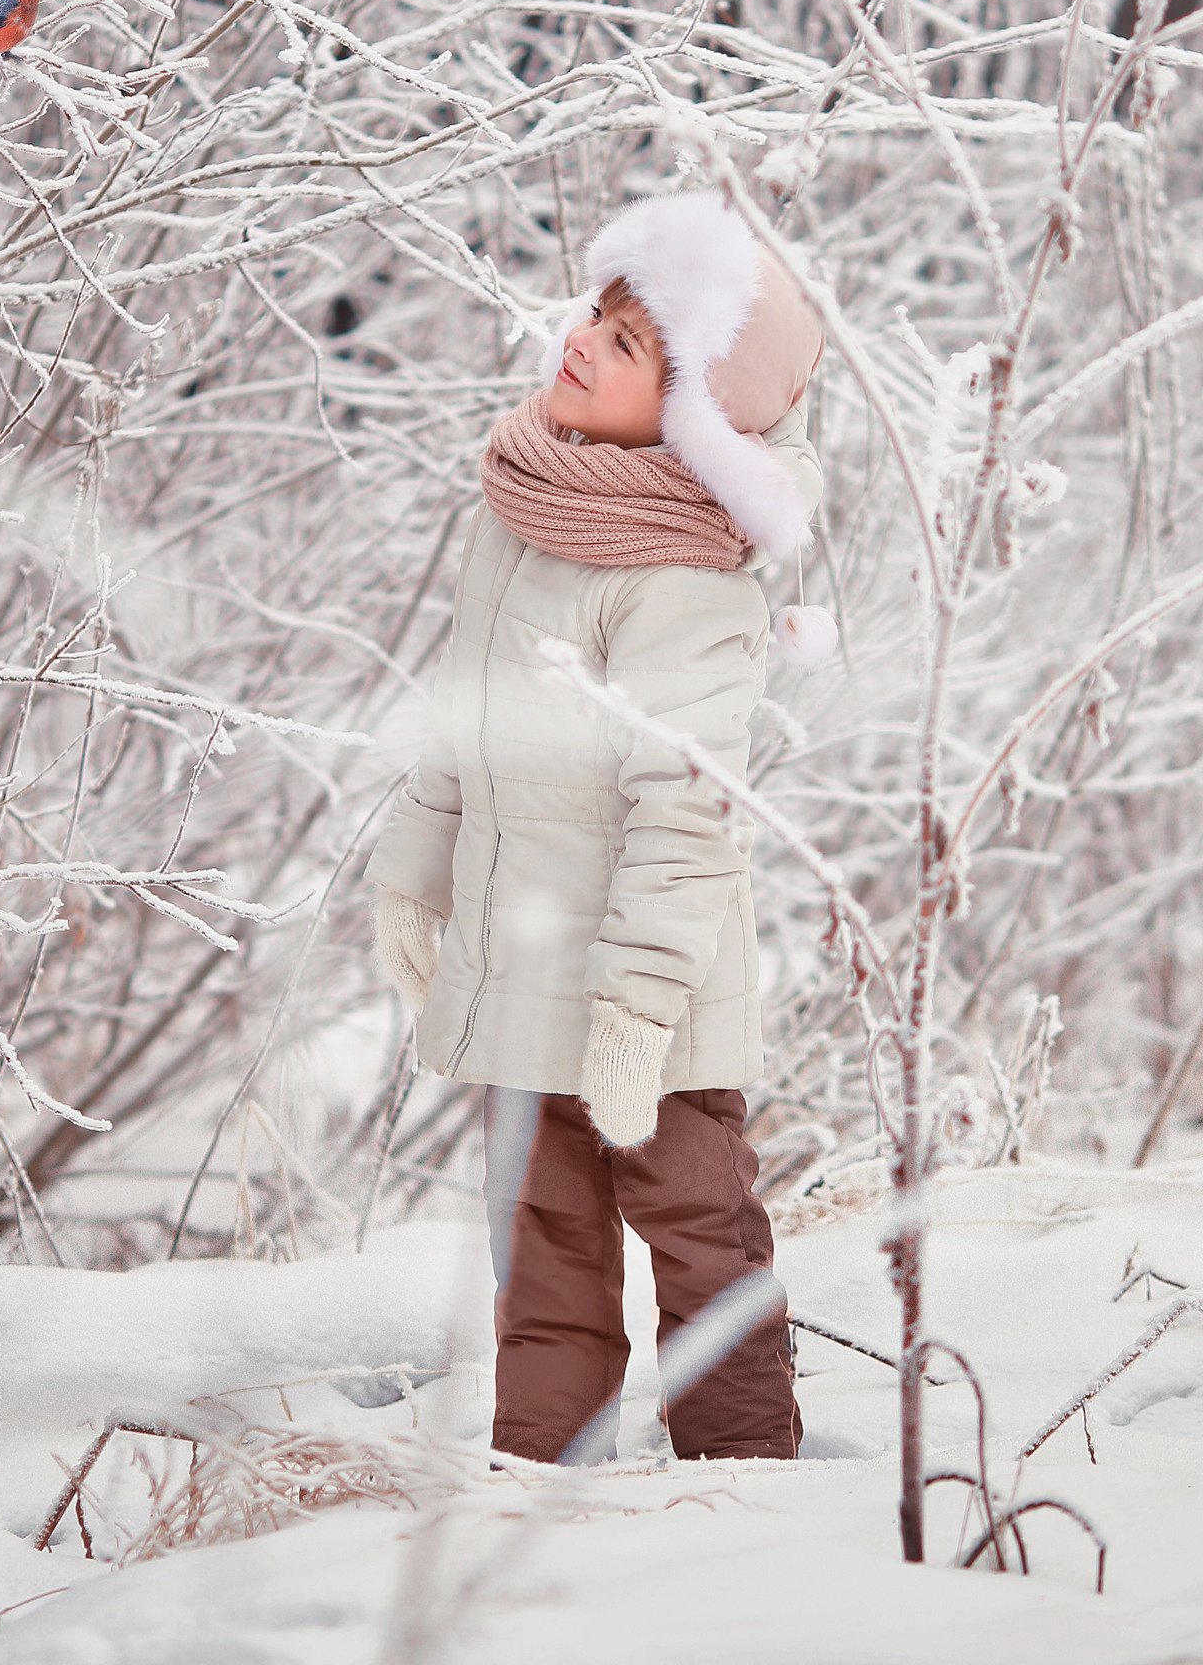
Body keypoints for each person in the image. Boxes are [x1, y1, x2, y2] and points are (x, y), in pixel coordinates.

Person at [364, 190, 827, 1464]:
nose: (582, 340)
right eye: (596, 315)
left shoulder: (683, 578)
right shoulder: (524, 513)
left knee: (697, 1231)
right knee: (545, 1250)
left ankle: (741, 1495)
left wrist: (632, 1013)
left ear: (690, 415)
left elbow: (687, 816)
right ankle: (538, 1486)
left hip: (652, 997)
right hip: (523, 963)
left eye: (629, 344)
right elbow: (467, 725)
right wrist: (415, 880)